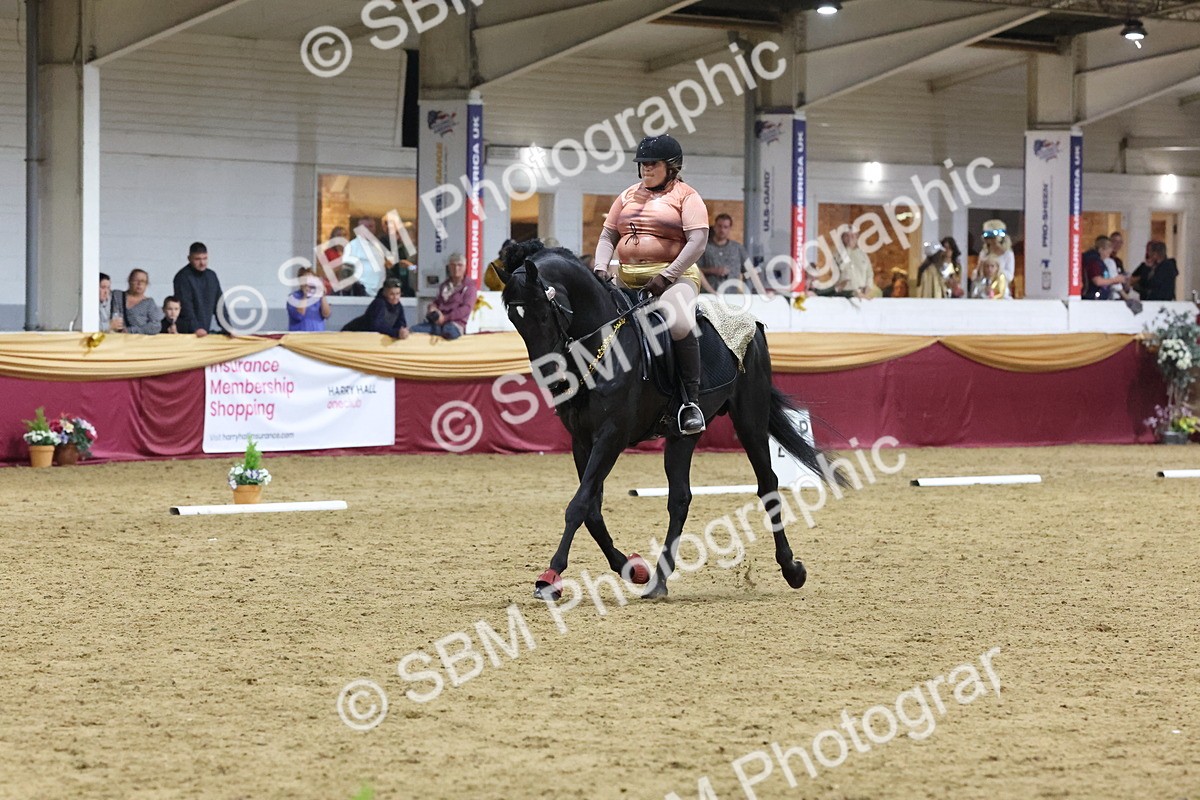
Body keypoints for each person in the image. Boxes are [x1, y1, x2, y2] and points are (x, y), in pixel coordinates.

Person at [592, 133, 708, 435]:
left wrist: (668, 275)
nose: (645, 168)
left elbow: (697, 242)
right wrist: (600, 267)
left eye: (652, 163)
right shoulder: (626, 196)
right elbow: (607, 236)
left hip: (674, 279)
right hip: (626, 277)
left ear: (671, 167)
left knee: (679, 322)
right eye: (642, 163)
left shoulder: (687, 197)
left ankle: (690, 402)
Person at [412, 253, 476, 340]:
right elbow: (437, 301)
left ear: (465, 267)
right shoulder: (444, 285)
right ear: (449, 267)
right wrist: (432, 307)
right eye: (453, 265)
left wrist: (445, 318)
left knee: (448, 332)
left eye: (459, 265)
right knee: (413, 330)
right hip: (437, 323)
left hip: (455, 324)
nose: (456, 268)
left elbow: (466, 309)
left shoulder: (469, 287)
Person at [172, 242, 224, 336]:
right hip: (186, 332)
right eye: (197, 259)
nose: (202, 263)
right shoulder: (182, 277)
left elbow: (220, 305)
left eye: (205, 258)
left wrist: (228, 327)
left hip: (204, 330)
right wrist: (195, 327)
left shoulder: (212, 276)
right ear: (189, 258)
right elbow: (185, 307)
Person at [698, 213, 750, 292]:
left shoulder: (737, 248)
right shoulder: (704, 248)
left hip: (731, 295)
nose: (722, 230)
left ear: (730, 229)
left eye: (725, 227)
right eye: (719, 226)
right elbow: (695, 269)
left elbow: (750, 271)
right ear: (715, 227)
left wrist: (753, 292)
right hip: (708, 295)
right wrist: (712, 270)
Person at [343, 216, 387, 296]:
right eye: (365, 227)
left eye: (371, 226)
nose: (368, 229)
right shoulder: (352, 246)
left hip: (379, 291)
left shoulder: (378, 246)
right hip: (361, 292)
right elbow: (347, 270)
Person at [833, 230, 878, 298]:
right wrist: (848, 249)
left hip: (862, 294)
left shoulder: (863, 254)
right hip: (845, 294)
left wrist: (868, 285)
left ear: (857, 238)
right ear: (842, 238)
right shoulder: (837, 254)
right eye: (847, 236)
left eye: (853, 236)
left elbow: (869, 273)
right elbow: (841, 267)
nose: (850, 238)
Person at [1081, 236, 1126, 300]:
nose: (1108, 256)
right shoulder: (1093, 261)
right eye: (1107, 253)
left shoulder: (1098, 261)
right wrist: (1115, 280)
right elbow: (1097, 281)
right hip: (1092, 297)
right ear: (1101, 250)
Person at [286, 267, 331, 332]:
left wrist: (322, 294)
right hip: (300, 336)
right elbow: (299, 316)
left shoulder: (317, 297)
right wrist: (305, 295)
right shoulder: (293, 297)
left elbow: (327, 315)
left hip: (318, 335)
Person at [121, 269, 164, 334]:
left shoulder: (149, 303)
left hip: (137, 339)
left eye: (143, 281)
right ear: (129, 281)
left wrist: (132, 330)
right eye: (136, 280)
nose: (139, 284)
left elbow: (156, 326)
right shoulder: (117, 296)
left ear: (147, 284)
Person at [979, 220, 1015, 298]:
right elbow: (979, 273)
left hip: (1002, 291)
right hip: (985, 291)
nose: (990, 239)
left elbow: (1010, 276)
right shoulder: (984, 253)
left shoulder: (1008, 254)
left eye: (993, 237)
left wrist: (996, 270)